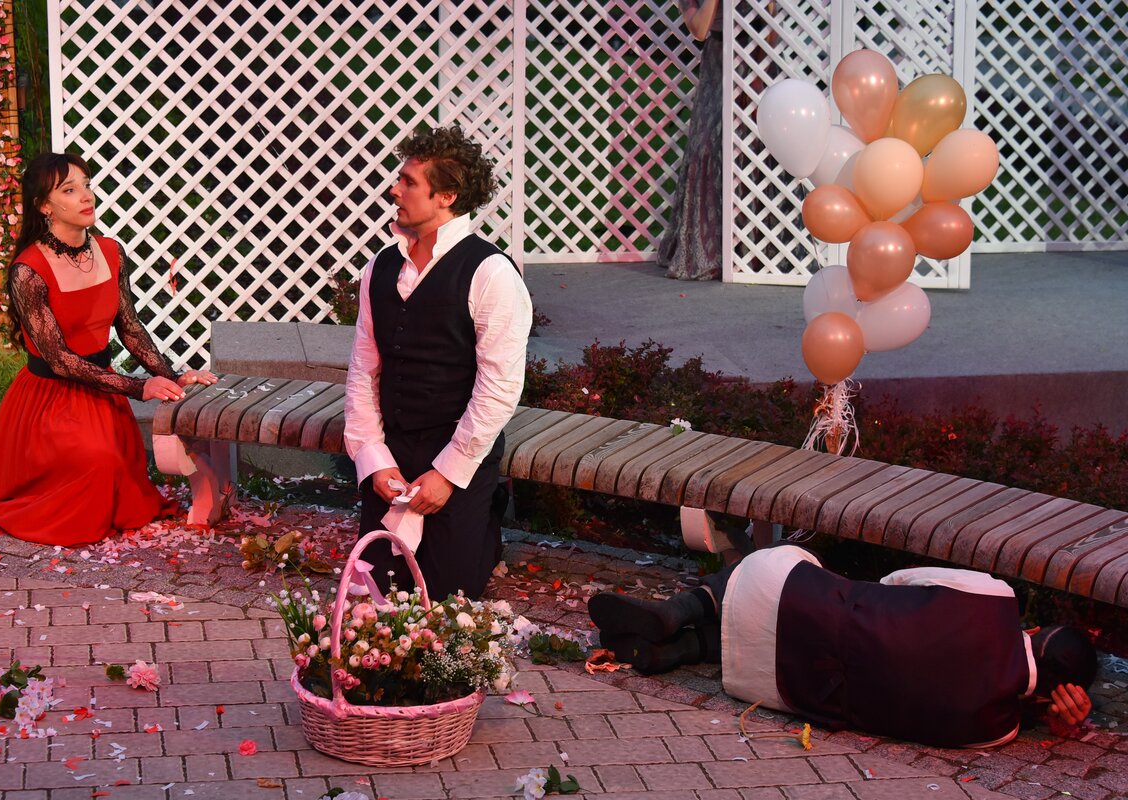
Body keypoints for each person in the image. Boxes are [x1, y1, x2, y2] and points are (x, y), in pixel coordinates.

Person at [0, 152, 216, 546]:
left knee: (115, 473)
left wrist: (170, 377)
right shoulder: (29, 270)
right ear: (45, 206)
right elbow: (60, 361)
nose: (86, 196)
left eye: (87, 185)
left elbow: (129, 326)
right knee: (98, 467)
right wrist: (140, 387)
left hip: (102, 393)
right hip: (50, 400)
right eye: (69, 190)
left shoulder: (111, 251)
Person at [588, 545, 1097, 748]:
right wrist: (1040, 717)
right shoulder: (998, 731)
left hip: (787, 599)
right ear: (1052, 695)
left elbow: (897, 581)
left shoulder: (996, 598)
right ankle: (676, 652)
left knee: (778, 570)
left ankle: (678, 611)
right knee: (779, 647)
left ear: (1035, 632)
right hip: (783, 688)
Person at [344, 124, 533, 600]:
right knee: (378, 590)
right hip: (393, 450)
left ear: (446, 196)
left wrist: (448, 474)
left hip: (457, 453)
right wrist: (374, 460)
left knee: (449, 598)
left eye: (409, 182)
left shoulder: (491, 273)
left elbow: (499, 388)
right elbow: (363, 371)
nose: (395, 190)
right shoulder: (379, 267)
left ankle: (485, 521)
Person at [656, 0, 722, 281]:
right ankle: (709, 250)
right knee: (707, 146)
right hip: (719, 58)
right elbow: (699, 29)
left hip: (756, 57)